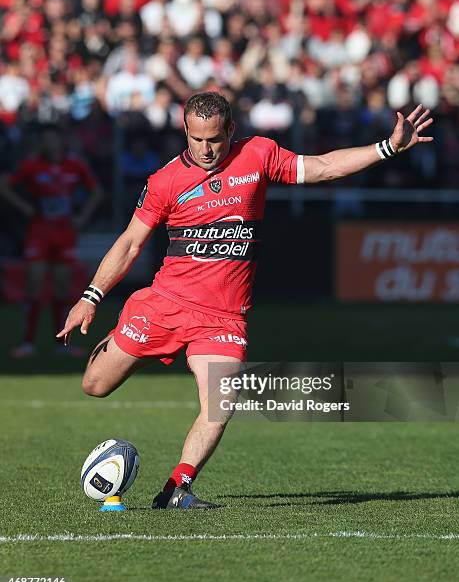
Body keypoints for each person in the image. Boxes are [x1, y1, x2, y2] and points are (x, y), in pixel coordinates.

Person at [57, 92, 433, 509]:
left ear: (231, 131)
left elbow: (323, 166)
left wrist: (386, 147)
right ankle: (133, 345)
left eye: (214, 139)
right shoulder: (165, 181)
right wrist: (90, 297)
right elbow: (129, 243)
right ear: (185, 132)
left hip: (222, 318)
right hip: (163, 305)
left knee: (221, 401)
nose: (205, 149)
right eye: (196, 139)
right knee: (95, 385)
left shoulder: (258, 155)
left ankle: (175, 490)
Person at [1, 124, 103, 358]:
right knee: (35, 283)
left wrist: (82, 217)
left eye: (53, 139)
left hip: (64, 231)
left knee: (61, 286)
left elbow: (96, 191)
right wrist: (25, 207)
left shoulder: (74, 164)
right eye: (46, 140)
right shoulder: (32, 164)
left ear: (61, 141)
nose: (50, 144)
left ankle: (61, 343)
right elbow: (5, 185)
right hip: (39, 230)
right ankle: (27, 342)